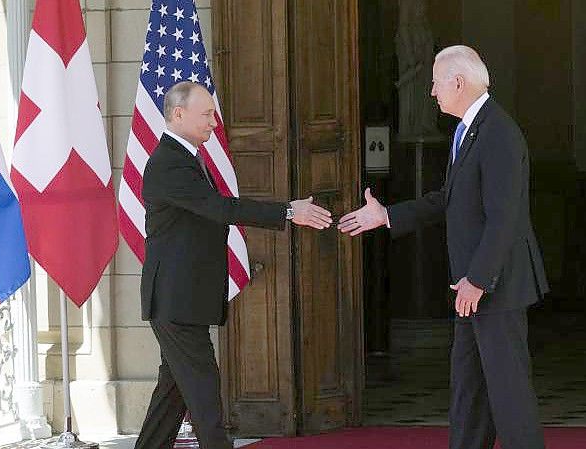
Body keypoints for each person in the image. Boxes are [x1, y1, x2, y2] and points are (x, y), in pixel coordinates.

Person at [338, 45, 548, 449]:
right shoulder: (469, 129)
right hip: (472, 288)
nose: (431, 93)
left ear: (458, 82)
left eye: (435, 84)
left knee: (508, 394)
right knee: (469, 390)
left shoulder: (498, 132)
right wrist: (386, 216)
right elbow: (447, 199)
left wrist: (479, 280)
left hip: (493, 287)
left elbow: (505, 217)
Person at [135, 81, 332, 449]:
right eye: (207, 114)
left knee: (172, 395)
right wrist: (290, 210)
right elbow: (221, 209)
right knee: (207, 402)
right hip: (175, 303)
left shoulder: (186, 157)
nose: (214, 122)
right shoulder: (168, 163)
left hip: (182, 302)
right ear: (178, 114)